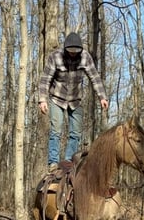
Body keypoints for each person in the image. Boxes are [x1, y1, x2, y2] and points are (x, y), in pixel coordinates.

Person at [38, 32, 109, 172]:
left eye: (76, 52)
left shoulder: (85, 58)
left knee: (75, 133)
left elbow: (94, 77)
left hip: (76, 100)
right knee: (56, 131)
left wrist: (102, 97)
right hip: (57, 98)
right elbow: (45, 79)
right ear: (65, 49)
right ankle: (53, 163)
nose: (73, 55)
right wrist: (42, 99)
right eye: (70, 52)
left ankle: (69, 162)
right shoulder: (55, 57)